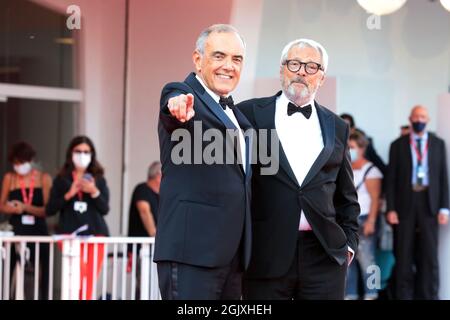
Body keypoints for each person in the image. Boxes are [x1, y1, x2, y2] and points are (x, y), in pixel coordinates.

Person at [237, 38, 360, 299]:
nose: (302, 71)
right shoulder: (249, 114)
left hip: (324, 254)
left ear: (322, 77)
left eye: (311, 66)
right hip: (265, 252)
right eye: (294, 63)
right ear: (282, 69)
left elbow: (346, 196)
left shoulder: (337, 126)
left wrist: (349, 244)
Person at [154, 24, 252, 300]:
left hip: (232, 259)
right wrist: (177, 107)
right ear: (198, 60)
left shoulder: (239, 118)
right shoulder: (184, 95)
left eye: (237, 59)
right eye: (219, 56)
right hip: (192, 254)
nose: (228, 66)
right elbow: (173, 106)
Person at [386, 105, 449, 300]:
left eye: (423, 116)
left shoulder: (438, 144)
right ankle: (404, 296)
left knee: (430, 255)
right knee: (403, 253)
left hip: (429, 202)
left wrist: (444, 207)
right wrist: (391, 208)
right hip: (405, 202)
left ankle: (429, 296)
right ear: (410, 119)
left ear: (428, 119)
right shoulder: (398, 145)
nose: (419, 120)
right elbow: (391, 179)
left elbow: (442, 177)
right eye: (416, 116)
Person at [46, 135, 110, 299]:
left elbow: (105, 209)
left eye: (86, 152)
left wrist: (93, 191)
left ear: (92, 155)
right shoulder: (61, 179)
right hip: (69, 234)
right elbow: (50, 209)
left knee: (89, 279)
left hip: (96, 234)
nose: (82, 155)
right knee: (77, 272)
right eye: (78, 151)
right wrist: (69, 194)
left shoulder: (98, 179)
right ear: (71, 153)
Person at [0, 141, 52, 299]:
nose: (18, 166)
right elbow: (1, 205)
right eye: (15, 163)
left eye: (21, 162)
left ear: (30, 160)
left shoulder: (43, 178)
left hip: (37, 230)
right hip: (17, 229)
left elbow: (48, 210)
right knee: (9, 269)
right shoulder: (10, 178)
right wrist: (13, 208)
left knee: (41, 270)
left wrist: (25, 207)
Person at [345, 131, 383, 300]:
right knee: (348, 261)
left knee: (369, 261)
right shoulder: (345, 167)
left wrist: (371, 221)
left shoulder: (371, 170)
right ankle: (350, 295)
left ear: (361, 148)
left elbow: (376, 199)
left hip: (365, 218)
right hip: (347, 221)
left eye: (352, 147)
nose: (349, 150)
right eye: (347, 147)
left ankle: (372, 294)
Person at [128, 161, 161, 238]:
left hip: (154, 246)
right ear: (158, 176)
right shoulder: (142, 189)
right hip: (140, 246)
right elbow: (144, 212)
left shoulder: (162, 195)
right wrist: (155, 237)